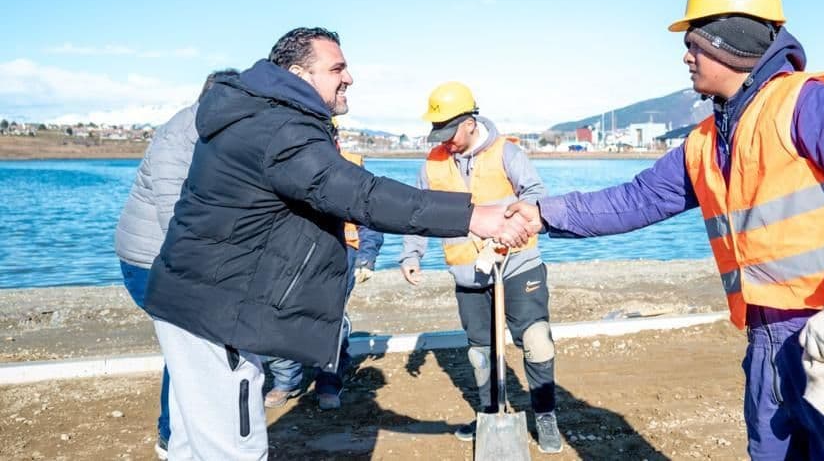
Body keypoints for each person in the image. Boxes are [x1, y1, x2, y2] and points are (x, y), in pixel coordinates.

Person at [507, 0, 824, 460]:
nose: (686, 57)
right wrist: (538, 213)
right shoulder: (706, 143)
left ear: (731, 42)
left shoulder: (807, 104)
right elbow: (634, 199)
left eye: (694, 44)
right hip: (770, 346)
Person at [145, 27, 536, 460]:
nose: (349, 78)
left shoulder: (260, 117)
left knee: (190, 446)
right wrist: (474, 216)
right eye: (337, 68)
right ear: (299, 74)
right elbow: (361, 194)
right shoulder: (280, 129)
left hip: (193, 300)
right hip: (216, 315)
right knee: (234, 450)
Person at [399, 82, 563, 454]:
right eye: (436, 131)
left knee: (536, 341)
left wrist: (510, 232)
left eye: (448, 131)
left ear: (470, 122)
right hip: (468, 273)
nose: (442, 140)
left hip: (518, 265)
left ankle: (545, 414)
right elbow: (419, 214)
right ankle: (490, 413)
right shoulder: (434, 163)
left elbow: (536, 195)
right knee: (479, 352)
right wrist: (412, 255)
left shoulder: (507, 152)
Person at [114, 70, 231, 459]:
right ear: (210, 101)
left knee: (189, 347)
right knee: (185, 347)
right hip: (149, 261)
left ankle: (185, 430)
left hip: (175, 256)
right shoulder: (177, 137)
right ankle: (170, 436)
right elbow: (173, 214)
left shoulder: (213, 134)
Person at [263, 127, 384, 411]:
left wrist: (367, 256)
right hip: (291, 253)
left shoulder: (352, 168)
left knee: (330, 319)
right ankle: (286, 380)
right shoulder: (285, 162)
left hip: (344, 252)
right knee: (280, 316)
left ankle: (329, 379)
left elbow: (372, 216)